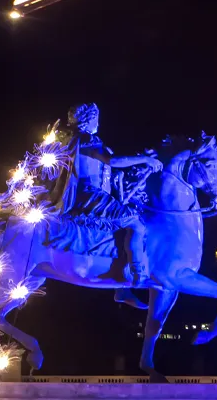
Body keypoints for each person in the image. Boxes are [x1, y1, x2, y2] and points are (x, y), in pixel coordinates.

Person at [47, 103, 163, 282]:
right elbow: (112, 160)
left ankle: (120, 282)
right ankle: (137, 272)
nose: (97, 123)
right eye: (95, 119)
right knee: (136, 223)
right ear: (88, 119)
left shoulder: (73, 140)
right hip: (89, 195)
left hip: (91, 193)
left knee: (123, 222)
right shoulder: (86, 140)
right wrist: (144, 159)